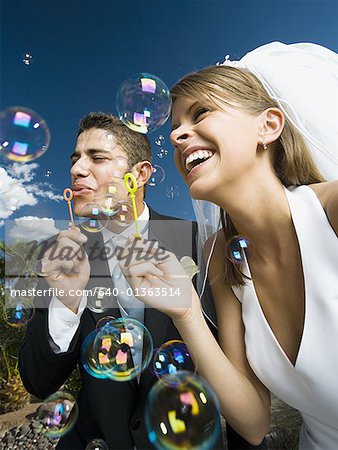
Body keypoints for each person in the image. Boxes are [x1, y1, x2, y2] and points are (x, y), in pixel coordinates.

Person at [117, 42, 338, 450]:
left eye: (200, 113)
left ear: (268, 126)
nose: (179, 134)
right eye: (174, 128)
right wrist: (186, 311)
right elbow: (252, 421)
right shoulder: (218, 253)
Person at [18, 113, 237, 450]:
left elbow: (239, 370)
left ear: (141, 174)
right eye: (75, 159)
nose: (77, 170)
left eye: (98, 157)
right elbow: (38, 381)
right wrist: (66, 302)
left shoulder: (201, 243)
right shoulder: (61, 260)